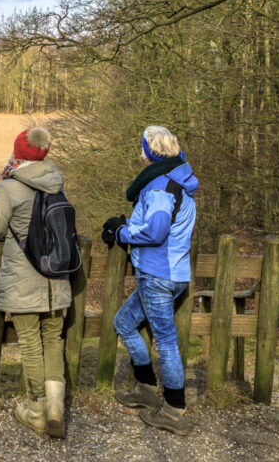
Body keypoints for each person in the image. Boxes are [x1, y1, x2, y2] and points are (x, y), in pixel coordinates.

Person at [102, 125, 197, 436]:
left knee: (166, 342)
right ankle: (146, 388)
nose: (138, 150)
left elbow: (156, 231)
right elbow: (162, 222)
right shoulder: (177, 182)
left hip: (157, 276)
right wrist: (127, 223)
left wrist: (121, 233)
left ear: (150, 152)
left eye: (141, 146)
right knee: (125, 323)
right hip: (173, 273)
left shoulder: (158, 187)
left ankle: (174, 410)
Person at [0, 127, 70, 438]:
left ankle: (37, 413)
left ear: (18, 152)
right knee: (53, 342)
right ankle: (56, 409)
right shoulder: (57, 184)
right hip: (57, 281)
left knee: (31, 346)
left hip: (24, 281)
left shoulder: (9, 187)